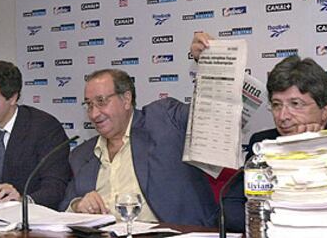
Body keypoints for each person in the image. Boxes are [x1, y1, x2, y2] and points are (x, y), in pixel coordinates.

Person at [190, 32, 327, 232]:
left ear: (325, 109)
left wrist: (312, 149)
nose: (283, 116)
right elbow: (231, 211)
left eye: (295, 104)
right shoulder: (264, 143)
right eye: (276, 105)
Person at [59, 69, 218, 226]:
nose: (94, 114)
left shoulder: (163, 120)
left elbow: (211, 113)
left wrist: (206, 61)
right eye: (89, 104)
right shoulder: (82, 154)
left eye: (101, 101)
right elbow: (65, 205)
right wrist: (78, 205)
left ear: (126, 99)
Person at [0, 60, 71, 210]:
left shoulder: (45, 128)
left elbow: (56, 187)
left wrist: (22, 200)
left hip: (34, 224)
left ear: (13, 98)